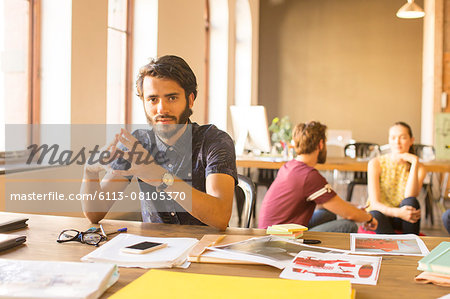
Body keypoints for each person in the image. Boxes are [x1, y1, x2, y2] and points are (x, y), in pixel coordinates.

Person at [81, 55, 237, 230]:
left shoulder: (215, 141)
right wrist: (90, 172)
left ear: (190, 99)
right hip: (153, 252)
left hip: (204, 251)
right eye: (153, 99)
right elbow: (95, 214)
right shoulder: (137, 143)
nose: (161, 109)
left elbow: (221, 217)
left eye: (172, 98)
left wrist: (162, 178)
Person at [258, 121, 378, 233]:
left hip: (271, 230)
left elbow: (327, 202)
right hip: (279, 237)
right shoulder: (309, 176)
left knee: (328, 214)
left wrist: (354, 207)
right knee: (348, 225)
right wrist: (369, 218)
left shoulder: (291, 166)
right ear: (320, 144)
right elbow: (349, 215)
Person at [366, 122, 426, 235]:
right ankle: (393, 248)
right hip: (382, 215)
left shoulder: (420, 168)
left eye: (402, 137)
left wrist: (414, 162)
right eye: (393, 138)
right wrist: (398, 212)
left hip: (404, 218)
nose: (397, 142)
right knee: (375, 214)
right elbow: (374, 203)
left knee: (411, 201)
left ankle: (411, 246)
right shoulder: (376, 163)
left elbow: (410, 195)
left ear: (412, 140)